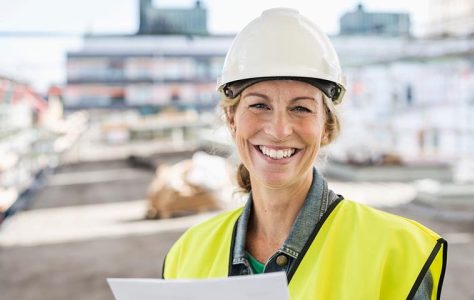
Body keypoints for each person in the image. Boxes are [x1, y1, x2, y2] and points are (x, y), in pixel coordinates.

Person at [162, 8, 447, 299]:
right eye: (259, 105)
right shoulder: (187, 254)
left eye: (301, 108)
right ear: (232, 120)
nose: (279, 130)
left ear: (326, 127)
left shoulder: (395, 251)